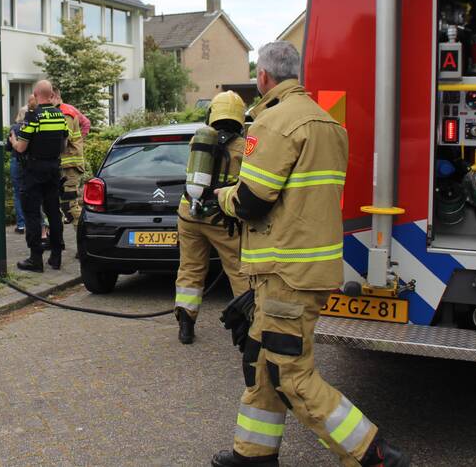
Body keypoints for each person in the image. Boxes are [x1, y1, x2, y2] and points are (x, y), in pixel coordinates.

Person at [210, 42, 409, 467]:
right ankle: (253, 454)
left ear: (263, 77)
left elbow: (252, 200)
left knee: (290, 375)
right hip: (308, 267)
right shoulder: (328, 123)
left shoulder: (273, 122)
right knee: (262, 360)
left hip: (285, 272)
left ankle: (371, 454)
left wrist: (222, 198)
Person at [174, 90, 249, 345]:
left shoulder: (199, 140)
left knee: (190, 269)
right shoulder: (244, 147)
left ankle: (186, 325)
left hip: (188, 212)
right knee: (239, 271)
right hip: (221, 218)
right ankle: (248, 327)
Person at [9, 80, 68, 272]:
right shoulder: (60, 116)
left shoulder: (34, 117)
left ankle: (35, 259)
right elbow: (64, 145)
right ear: (51, 95)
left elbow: (21, 147)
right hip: (53, 170)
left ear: (35, 94)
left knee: (32, 213)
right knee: (53, 212)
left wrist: (13, 140)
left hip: (34, 171)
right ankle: (56, 257)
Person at [52, 88, 86, 226]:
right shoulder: (58, 112)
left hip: (70, 167)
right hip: (63, 166)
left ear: (53, 97)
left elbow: (65, 138)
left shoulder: (65, 113)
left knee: (71, 205)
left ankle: (83, 242)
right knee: (63, 206)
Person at [6, 108, 28, 235]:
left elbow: (8, 147)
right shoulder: (34, 126)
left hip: (16, 160)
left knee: (18, 192)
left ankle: (20, 225)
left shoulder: (14, 128)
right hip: (31, 162)